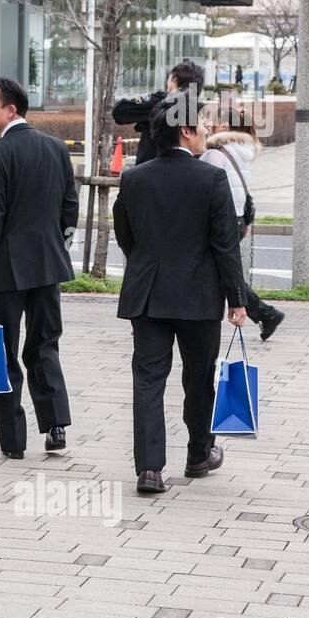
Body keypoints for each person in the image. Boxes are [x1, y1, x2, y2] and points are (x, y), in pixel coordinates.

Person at [113, 91, 247, 495]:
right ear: (186, 131)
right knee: (199, 379)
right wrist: (237, 299)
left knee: (148, 381)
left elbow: (126, 234)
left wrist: (146, 264)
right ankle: (197, 453)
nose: (208, 130)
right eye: (203, 124)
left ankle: (150, 469)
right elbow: (225, 244)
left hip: (148, 295)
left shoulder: (134, 178)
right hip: (199, 297)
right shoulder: (211, 178)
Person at [0, 77, 79, 459]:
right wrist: (59, 246)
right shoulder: (55, 149)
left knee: (4, 352)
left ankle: (14, 441)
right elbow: (70, 207)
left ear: (10, 109)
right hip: (49, 267)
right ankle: (56, 425)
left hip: (5, 272)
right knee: (45, 346)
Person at [200, 107, 285, 340]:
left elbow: (204, 190)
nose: (207, 123)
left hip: (221, 221)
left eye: (212, 120)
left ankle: (265, 313)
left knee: (220, 272)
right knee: (222, 270)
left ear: (224, 126)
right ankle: (265, 313)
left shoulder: (215, 153)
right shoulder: (239, 151)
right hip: (237, 219)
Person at [112, 59, 205, 165]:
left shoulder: (161, 102)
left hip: (151, 170)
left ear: (174, 79)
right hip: (188, 171)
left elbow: (120, 111)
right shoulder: (198, 111)